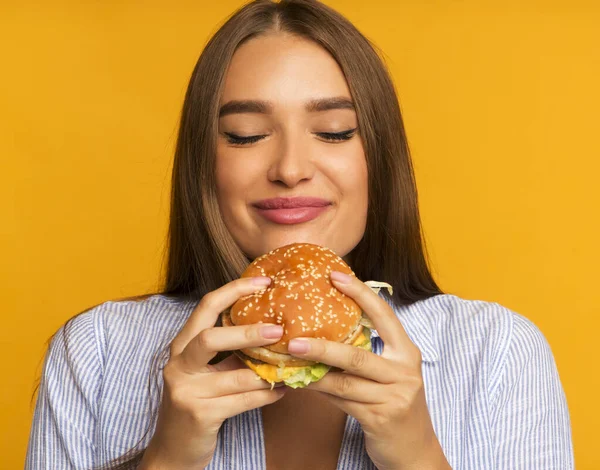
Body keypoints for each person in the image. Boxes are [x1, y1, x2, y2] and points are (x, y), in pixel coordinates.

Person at [25, 0, 574, 469]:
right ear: (202, 165)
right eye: (246, 135)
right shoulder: (96, 353)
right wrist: (166, 459)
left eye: (333, 132)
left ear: (377, 161)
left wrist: (421, 456)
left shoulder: (496, 352)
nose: (290, 167)